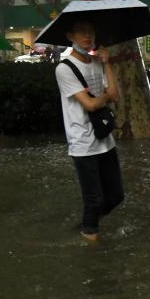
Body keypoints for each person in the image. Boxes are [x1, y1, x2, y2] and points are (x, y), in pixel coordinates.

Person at [55, 20, 123, 241]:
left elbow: (116, 95)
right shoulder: (64, 69)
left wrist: (107, 63)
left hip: (105, 139)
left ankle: (88, 222)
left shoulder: (97, 62)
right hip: (83, 143)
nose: (88, 36)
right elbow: (91, 105)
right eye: (82, 33)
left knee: (115, 196)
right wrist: (104, 97)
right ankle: (89, 234)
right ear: (70, 36)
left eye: (91, 33)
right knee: (94, 199)